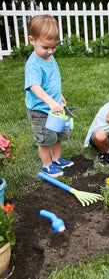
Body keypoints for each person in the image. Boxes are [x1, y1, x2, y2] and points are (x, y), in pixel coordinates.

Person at [25, 15, 74, 177]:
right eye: (46, 47)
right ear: (32, 40)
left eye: (54, 47)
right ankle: (46, 165)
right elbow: (35, 87)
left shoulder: (49, 58)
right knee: (46, 138)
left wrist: (59, 95)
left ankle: (57, 159)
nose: (50, 51)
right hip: (40, 110)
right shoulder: (33, 64)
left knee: (57, 134)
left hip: (54, 106)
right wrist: (51, 101)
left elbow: (52, 81)